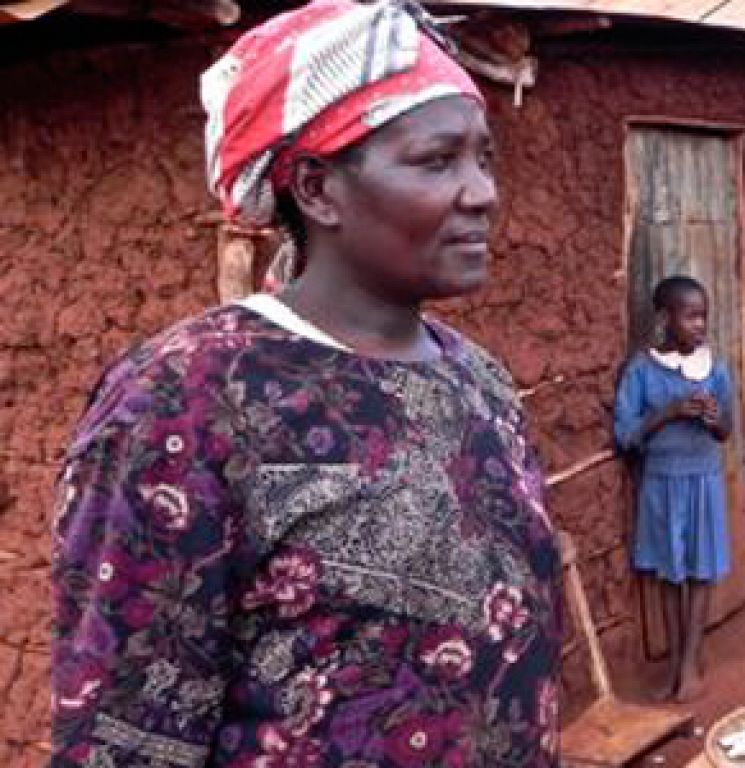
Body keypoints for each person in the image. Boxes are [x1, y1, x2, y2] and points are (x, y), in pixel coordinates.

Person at [48, 1, 562, 765]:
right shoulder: (184, 401)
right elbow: (121, 737)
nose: (483, 191)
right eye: (437, 160)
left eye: (484, 158)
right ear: (318, 190)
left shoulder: (478, 377)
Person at [613, 276, 736, 702]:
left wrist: (712, 416)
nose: (701, 324)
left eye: (704, 316)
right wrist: (668, 413)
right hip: (661, 485)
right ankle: (676, 660)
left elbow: (726, 432)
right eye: (691, 316)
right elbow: (626, 436)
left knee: (700, 572)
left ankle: (689, 663)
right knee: (670, 574)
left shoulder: (715, 369)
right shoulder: (641, 372)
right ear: (666, 319)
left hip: (703, 481)